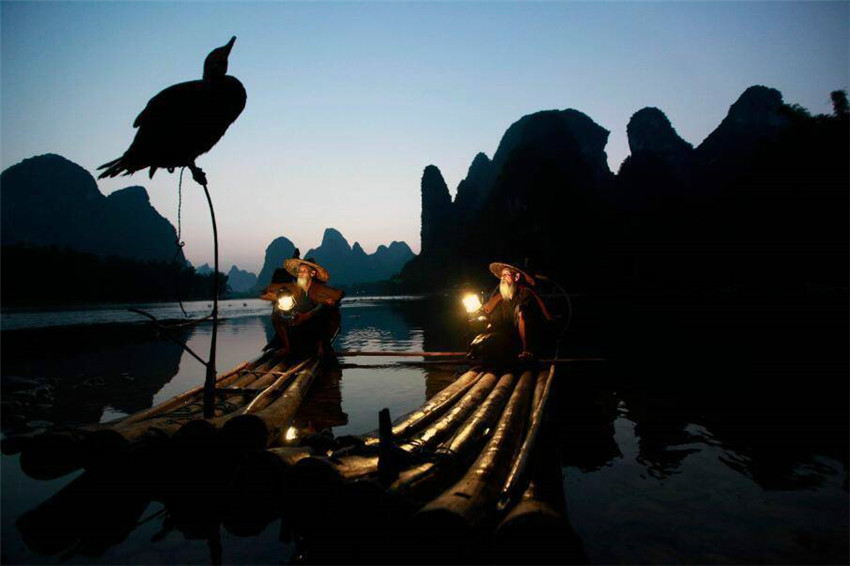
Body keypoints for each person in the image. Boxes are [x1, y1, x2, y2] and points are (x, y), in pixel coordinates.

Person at [260, 257, 343, 357]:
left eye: (304, 271)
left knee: (324, 312)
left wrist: (306, 316)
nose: (300, 273)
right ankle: (287, 347)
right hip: (300, 326)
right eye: (299, 271)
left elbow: (324, 307)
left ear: (312, 274)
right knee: (277, 316)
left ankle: (320, 347)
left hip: (316, 329)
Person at [473, 261, 553, 362]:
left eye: (506, 275)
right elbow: (487, 310)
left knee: (521, 311)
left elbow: (530, 316)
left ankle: (526, 351)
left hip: (528, 336)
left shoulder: (525, 293)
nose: (502, 278)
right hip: (508, 336)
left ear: (516, 277)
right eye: (502, 275)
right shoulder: (501, 297)